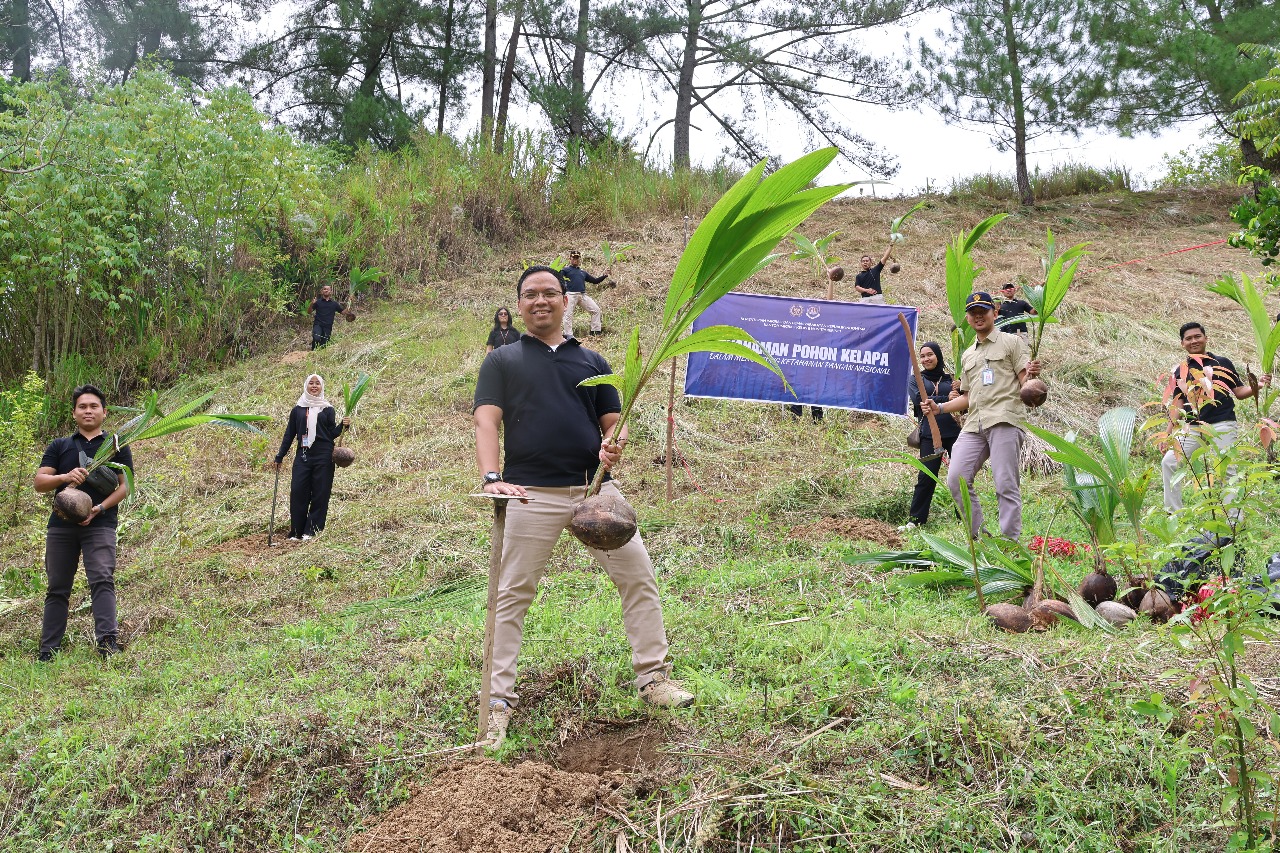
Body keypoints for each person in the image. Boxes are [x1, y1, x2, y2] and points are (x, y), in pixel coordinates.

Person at [473, 265, 693, 748]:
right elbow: (486, 421)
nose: (541, 300)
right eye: (530, 294)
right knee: (513, 594)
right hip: (529, 492)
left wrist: (614, 443)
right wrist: (492, 477)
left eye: (550, 292)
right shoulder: (503, 360)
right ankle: (498, 704)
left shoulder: (592, 361)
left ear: (566, 300)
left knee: (638, 576)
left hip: (597, 492)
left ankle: (653, 679)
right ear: (519, 304)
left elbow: (615, 420)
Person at [921, 292, 1041, 540]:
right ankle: (979, 538)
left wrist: (1032, 376)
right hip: (974, 424)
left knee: (1005, 483)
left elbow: (1025, 382)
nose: (978, 316)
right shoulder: (968, 355)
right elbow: (967, 397)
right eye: (973, 312)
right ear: (967, 318)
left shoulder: (1011, 342)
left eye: (983, 311)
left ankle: (1010, 543)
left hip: (1004, 419)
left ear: (994, 313)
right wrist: (939, 407)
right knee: (956, 478)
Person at [33, 385, 133, 660]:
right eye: (82, 407)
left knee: (102, 579)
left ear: (104, 412)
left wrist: (98, 509)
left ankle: (107, 643)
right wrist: (65, 477)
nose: (88, 411)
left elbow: (125, 487)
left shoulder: (116, 445)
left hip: (101, 524)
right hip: (61, 526)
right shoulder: (60, 445)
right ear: (74, 413)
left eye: (93, 406)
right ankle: (48, 650)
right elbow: (40, 483)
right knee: (57, 587)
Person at [1160, 322, 1269, 513]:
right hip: (1192, 427)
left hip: (1222, 423)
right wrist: (1168, 435)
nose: (1194, 341)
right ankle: (1174, 513)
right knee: (1169, 462)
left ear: (1206, 338)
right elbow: (1178, 405)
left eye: (1197, 336)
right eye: (1189, 338)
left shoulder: (1221, 363)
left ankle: (1233, 519)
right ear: (1182, 343)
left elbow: (1239, 392)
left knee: (1227, 469)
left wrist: (1257, 385)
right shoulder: (1181, 371)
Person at [273, 374, 349, 540]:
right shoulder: (298, 409)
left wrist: (343, 426)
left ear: (322, 387)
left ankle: (311, 530)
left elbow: (331, 433)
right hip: (303, 454)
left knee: (320, 493)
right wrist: (280, 456)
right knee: (298, 492)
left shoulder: (327, 409)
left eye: (317, 384)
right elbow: (289, 434)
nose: (314, 386)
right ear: (306, 386)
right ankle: (297, 531)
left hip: (324, 455)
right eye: (311, 383)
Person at [900, 342, 962, 531]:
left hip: (954, 433)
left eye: (930, 355)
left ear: (938, 356)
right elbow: (920, 400)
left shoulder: (952, 379)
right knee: (926, 477)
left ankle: (964, 518)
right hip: (930, 434)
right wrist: (946, 399)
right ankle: (915, 520)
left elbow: (964, 405)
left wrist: (961, 389)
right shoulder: (915, 379)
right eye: (923, 356)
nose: (926, 359)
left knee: (960, 477)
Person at [560, 250, 608, 337]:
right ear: (570, 258)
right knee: (567, 315)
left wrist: (604, 275)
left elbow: (595, 281)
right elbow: (558, 279)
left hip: (582, 295)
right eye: (574, 257)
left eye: (577, 258)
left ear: (579, 259)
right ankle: (568, 335)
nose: (575, 259)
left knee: (596, 310)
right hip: (570, 295)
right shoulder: (565, 270)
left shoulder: (582, 272)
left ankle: (595, 332)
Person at [307, 285, 346, 350]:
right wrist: (312, 304)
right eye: (324, 289)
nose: (326, 290)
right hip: (318, 324)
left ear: (331, 292)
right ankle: (313, 351)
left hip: (328, 326)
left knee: (324, 345)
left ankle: (319, 355)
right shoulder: (318, 302)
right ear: (322, 291)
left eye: (328, 289)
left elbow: (342, 312)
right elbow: (309, 312)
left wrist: (349, 305)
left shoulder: (334, 304)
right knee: (316, 338)